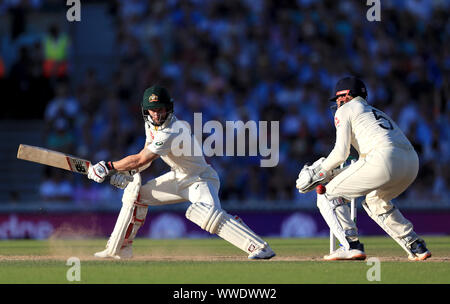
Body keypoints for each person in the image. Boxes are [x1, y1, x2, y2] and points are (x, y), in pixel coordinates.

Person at [87, 85, 275, 260]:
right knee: (135, 194)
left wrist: (108, 167)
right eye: (153, 110)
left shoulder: (172, 130)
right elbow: (143, 158)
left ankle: (260, 247)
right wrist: (127, 173)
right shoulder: (151, 125)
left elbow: (142, 159)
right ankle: (121, 247)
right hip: (178, 177)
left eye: (161, 109)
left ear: (169, 108)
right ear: (146, 110)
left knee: (204, 214)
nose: (157, 114)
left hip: (200, 179)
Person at [296, 76, 431, 261]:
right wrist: (333, 172)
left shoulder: (345, 110)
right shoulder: (374, 112)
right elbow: (364, 162)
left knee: (327, 194)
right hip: (411, 162)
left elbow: (340, 153)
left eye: (337, 98)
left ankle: (351, 245)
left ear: (346, 96)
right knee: (375, 201)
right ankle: (415, 245)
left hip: (384, 159)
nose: (336, 103)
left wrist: (317, 173)